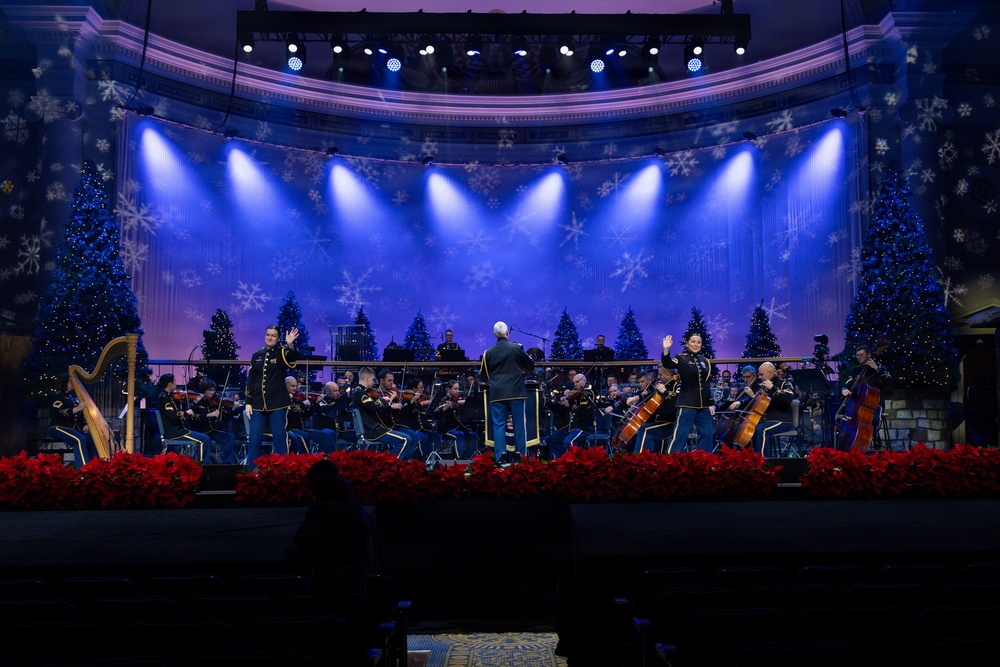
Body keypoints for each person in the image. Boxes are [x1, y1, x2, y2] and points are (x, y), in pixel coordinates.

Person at [287, 459, 371, 594]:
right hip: (352, 584)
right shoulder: (354, 508)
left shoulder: (319, 510)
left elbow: (306, 543)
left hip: (327, 582)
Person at [480, 321, 535, 464]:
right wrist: (522, 373)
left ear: (494, 334)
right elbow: (530, 366)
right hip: (516, 392)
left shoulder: (488, 353)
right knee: (519, 425)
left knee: (499, 425)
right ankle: (521, 457)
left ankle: (500, 457)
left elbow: (484, 376)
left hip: (497, 393)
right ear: (507, 333)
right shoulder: (516, 348)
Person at [246, 326, 299, 466]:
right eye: (268, 335)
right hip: (257, 402)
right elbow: (251, 380)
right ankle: (251, 473)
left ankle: (283, 471)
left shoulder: (282, 352)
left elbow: (293, 356)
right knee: (254, 439)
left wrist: (290, 344)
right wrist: (248, 402)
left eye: (273, 335)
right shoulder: (257, 355)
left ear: (278, 338)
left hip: (278, 402)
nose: (270, 338)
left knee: (280, 438)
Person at [661, 334, 716, 453]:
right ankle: (670, 460)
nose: (696, 344)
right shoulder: (681, 358)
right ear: (687, 343)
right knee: (680, 435)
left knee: (707, 433)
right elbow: (667, 364)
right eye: (693, 341)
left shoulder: (705, 361)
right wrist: (666, 349)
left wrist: (710, 403)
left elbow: (706, 383)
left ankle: (705, 460)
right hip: (687, 403)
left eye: (698, 342)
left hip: (703, 405)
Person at [729, 362, 795, 456]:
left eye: (761, 374)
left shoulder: (784, 384)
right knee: (744, 428)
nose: (759, 377)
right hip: (766, 420)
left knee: (761, 430)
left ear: (770, 372)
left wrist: (772, 388)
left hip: (782, 420)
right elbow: (757, 399)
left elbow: (788, 399)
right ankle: (750, 458)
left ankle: (763, 460)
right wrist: (740, 403)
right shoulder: (763, 386)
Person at [352, 367, 419, 459]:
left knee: (409, 438)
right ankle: (391, 465)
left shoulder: (363, 392)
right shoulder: (360, 393)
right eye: (372, 380)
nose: (373, 382)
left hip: (378, 428)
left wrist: (387, 401)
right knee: (405, 439)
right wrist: (383, 400)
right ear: (367, 378)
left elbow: (379, 408)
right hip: (372, 430)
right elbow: (375, 407)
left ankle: (398, 463)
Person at [155, 374, 214, 464]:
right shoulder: (163, 399)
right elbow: (173, 416)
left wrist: (195, 402)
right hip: (174, 432)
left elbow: (186, 411)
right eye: (174, 381)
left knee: (204, 438)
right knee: (205, 440)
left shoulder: (171, 397)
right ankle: (203, 467)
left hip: (179, 429)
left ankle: (195, 464)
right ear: (170, 384)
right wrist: (186, 413)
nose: (176, 384)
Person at [840, 344, 890, 438]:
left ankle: (873, 437)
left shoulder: (879, 367)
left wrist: (876, 368)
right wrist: (844, 389)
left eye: (862, 355)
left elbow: (889, 382)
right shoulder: (855, 369)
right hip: (858, 402)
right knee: (845, 419)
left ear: (869, 355)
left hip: (875, 403)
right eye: (857, 355)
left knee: (874, 419)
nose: (859, 357)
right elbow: (848, 383)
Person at [48, 374, 99, 468]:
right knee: (79, 440)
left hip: (74, 429)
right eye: (70, 381)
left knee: (93, 439)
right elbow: (59, 412)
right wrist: (77, 408)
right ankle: (84, 469)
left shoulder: (75, 396)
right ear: (64, 383)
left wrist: (85, 424)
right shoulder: (58, 397)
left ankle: (96, 467)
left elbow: (80, 415)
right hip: (58, 427)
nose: (73, 383)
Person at [627, 367, 678, 454]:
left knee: (645, 428)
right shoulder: (663, 385)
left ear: (668, 375)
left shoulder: (677, 385)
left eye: (660, 374)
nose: (658, 377)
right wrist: (636, 398)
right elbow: (651, 395)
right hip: (659, 422)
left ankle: (640, 458)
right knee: (642, 428)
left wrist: (665, 391)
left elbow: (678, 399)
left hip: (670, 423)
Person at [547, 373, 596, 457]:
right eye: (574, 383)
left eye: (577, 382)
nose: (575, 384)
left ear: (584, 381)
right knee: (552, 440)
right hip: (571, 427)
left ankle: (576, 461)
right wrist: (563, 397)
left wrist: (568, 405)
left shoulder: (588, 393)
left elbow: (582, 410)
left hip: (583, 427)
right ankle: (561, 459)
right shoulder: (575, 394)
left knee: (569, 442)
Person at [188, 379, 237, 464]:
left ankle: (227, 463)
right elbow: (193, 418)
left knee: (229, 437)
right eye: (210, 390)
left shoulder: (215, 402)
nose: (212, 392)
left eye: (213, 390)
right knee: (206, 439)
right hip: (201, 431)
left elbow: (225, 418)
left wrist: (232, 409)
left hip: (214, 431)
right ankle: (205, 464)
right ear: (203, 391)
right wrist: (209, 415)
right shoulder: (197, 403)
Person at [285, 377, 337, 454]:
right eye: (292, 386)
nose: (295, 388)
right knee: (305, 436)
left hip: (302, 429)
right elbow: (289, 414)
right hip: (290, 429)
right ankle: (307, 459)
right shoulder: (283, 399)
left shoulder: (296, 399)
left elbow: (307, 415)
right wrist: (302, 405)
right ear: (285, 386)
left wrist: (317, 403)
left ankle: (330, 457)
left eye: (296, 386)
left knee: (326, 434)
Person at [436, 380, 479, 458]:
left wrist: (465, 404)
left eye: (458, 389)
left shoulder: (457, 400)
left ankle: (468, 457)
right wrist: (444, 409)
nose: (457, 391)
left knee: (473, 435)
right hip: (447, 429)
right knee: (459, 435)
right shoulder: (443, 400)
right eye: (455, 389)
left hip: (459, 428)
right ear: (449, 389)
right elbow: (437, 415)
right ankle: (459, 458)